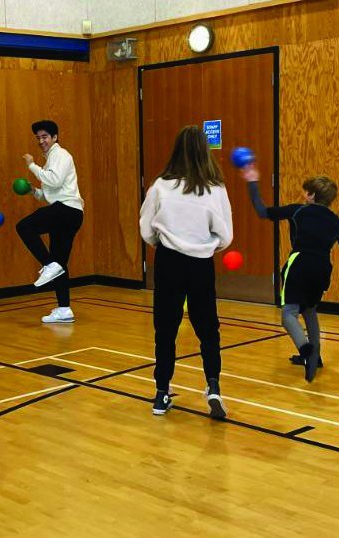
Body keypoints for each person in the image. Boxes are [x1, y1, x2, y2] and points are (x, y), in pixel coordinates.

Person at [139, 126, 233, 418]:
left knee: (165, 330)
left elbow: (146, 228)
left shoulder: (160, 186)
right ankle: (213, 386)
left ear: (176, 150)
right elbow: (226, 236)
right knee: (208, 329)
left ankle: (161, 393)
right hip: (200, 264)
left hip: (168, 262)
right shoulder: (215, 189)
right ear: (204, 150)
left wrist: (163, 243)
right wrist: (207, 247)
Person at [241, 163, 339, 382]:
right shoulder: (337, 222)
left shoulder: (298, 210)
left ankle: (306, 350)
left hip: (299, 264)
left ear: (311, 195)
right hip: (322, 268)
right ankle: (316, 358)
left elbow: (262, 211)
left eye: (305, 192)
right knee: (309, 309)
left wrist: (252, 182)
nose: (304, 195)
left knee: (288, 314)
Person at [16, 120, 84, 324]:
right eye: (38, 138)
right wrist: (33, 191)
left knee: (24, 227)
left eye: (45, 136)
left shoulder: (61, 155)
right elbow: (49, 194)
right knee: (60, 262)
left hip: (66, 210)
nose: (41, 141)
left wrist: (31, 165)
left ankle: (48, 265)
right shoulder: (51, 160)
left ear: (55, 137)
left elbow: (53, 181)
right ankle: (64, 309)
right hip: (65, 212)